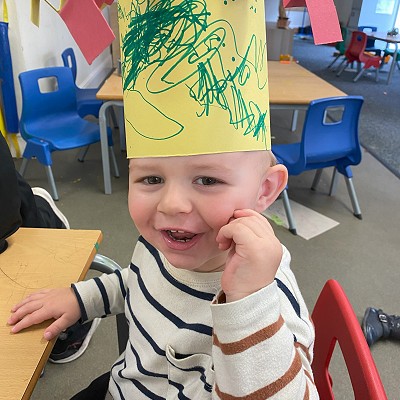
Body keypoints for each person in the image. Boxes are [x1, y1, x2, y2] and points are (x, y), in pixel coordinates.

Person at [8, 1, 318, 398]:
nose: (172, 204)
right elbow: (136, 282)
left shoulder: (266, 302)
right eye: (151, 177)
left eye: (207, 179)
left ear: (265, 191)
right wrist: (81, 298)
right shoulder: (164, 245)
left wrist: (246, 305)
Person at [0, 133, 100, 364]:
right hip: (14, 208)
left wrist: (89, 300)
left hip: (12, 220)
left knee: (23, 248)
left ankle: (71, 326)